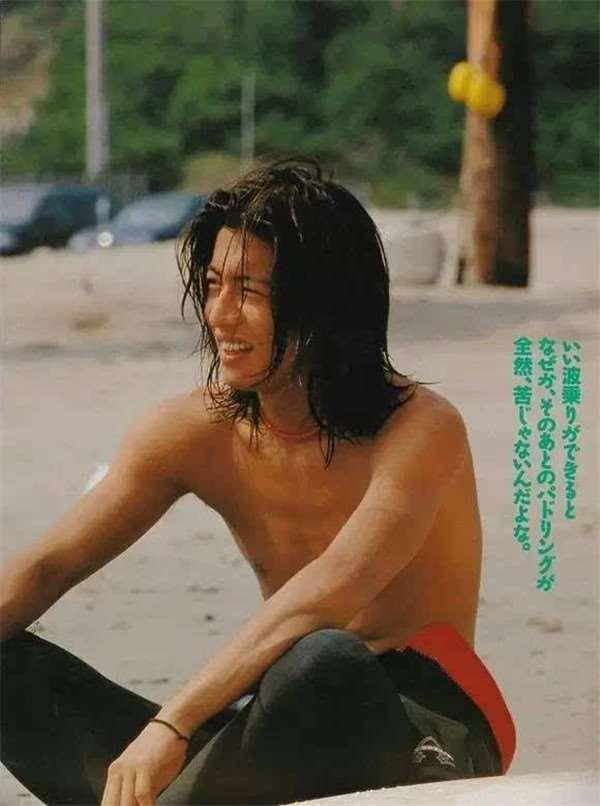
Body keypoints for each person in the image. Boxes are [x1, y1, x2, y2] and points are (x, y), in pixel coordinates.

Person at [0, 159, 515, 806]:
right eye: (213, 285)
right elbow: (50, 566)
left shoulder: (420, 429)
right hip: (269, 732)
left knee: (324, 658)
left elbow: (327, 595)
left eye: (248, 291)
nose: (219, 315)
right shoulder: (194, 431)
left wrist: (172, 725)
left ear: (324, 304)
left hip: (421, 725)